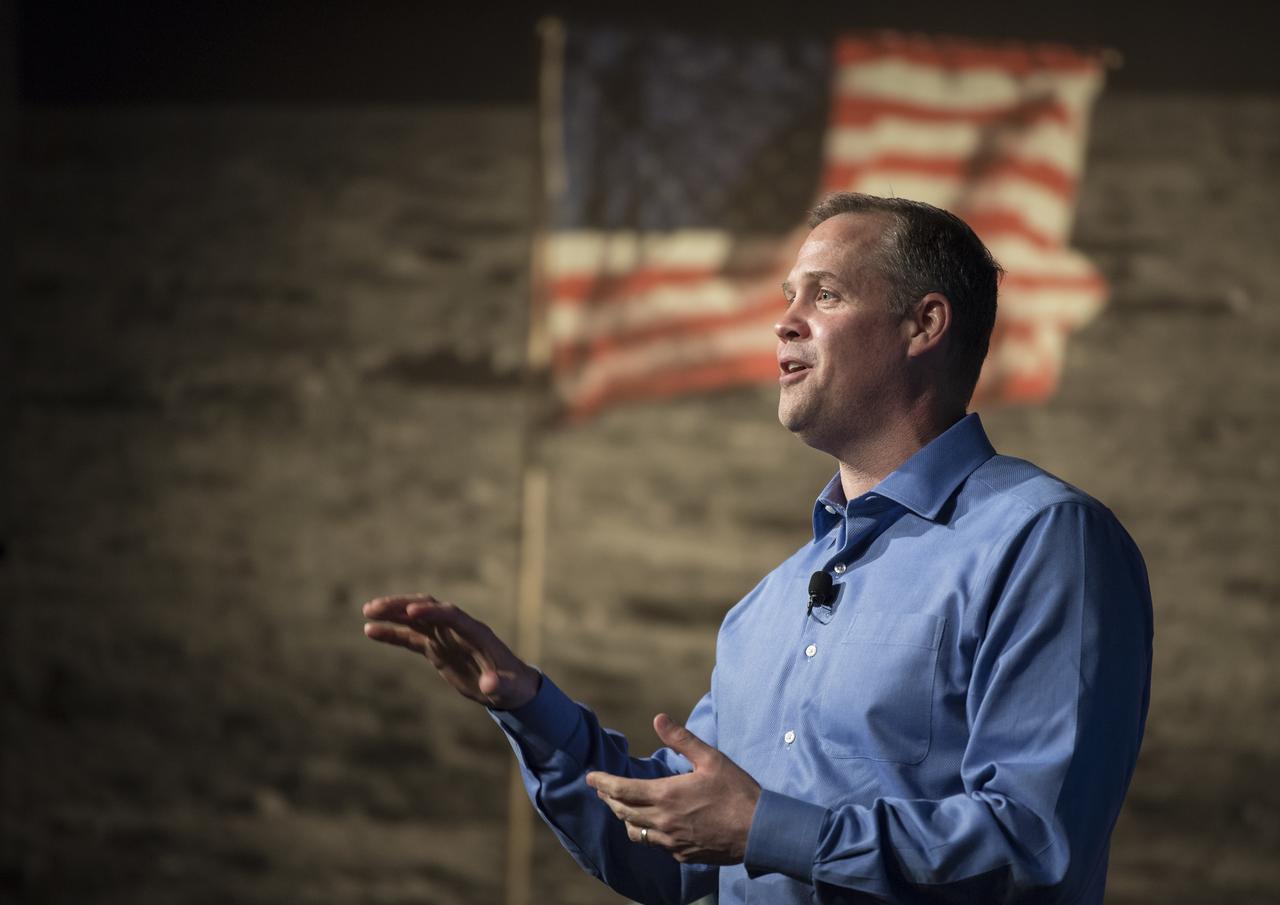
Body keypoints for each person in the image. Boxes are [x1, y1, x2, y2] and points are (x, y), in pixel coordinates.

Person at [363, 193, 1153, 904]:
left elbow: (1034, 845)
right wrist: (528, 706)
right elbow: (676, 861)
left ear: (925, 324)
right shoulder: (765, 607)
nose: (785, 319)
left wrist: (772, 830)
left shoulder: (1043, 539)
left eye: (827, 293)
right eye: (787, 298)